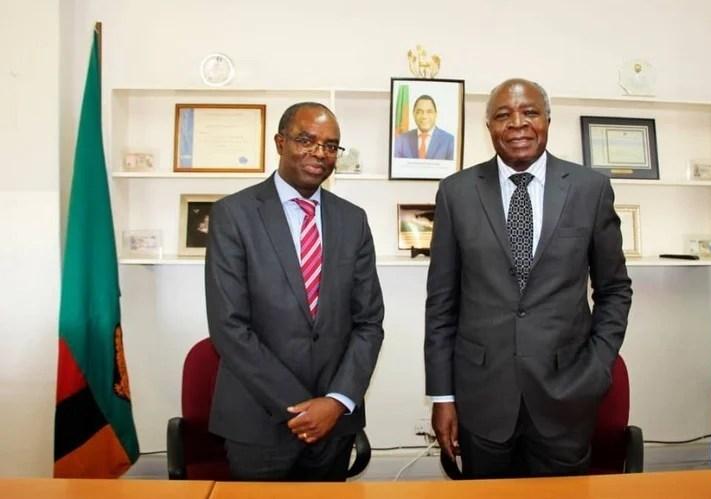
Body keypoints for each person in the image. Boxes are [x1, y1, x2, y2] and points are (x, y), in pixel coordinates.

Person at [424, 78, 632, 479]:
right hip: (481, 398)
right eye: (503, 115)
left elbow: (614, 289)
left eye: (530, 113)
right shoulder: (456, 193)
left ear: (548, 120)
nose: (517, 123)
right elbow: (441, 303)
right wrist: (443, 396)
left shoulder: (590, 189)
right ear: (489, 127)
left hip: (567, 395)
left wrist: (598, 365)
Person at [205, 102, 385, 481]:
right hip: (258, 423)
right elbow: (229, 327)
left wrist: (335, 402)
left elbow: (369, 323)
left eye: (330, 146)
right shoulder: (233, 215)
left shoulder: (353, 220)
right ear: (280, 142)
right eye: (306, 140)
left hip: (333, 424)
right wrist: (303, 408)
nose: (319, 153)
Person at [394, 95, 455, 160]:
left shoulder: (450, 141)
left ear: (436, 114)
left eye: (429, 112)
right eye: (419, 112)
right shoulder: (401, 140)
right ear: (414, 114)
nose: (424, 116)